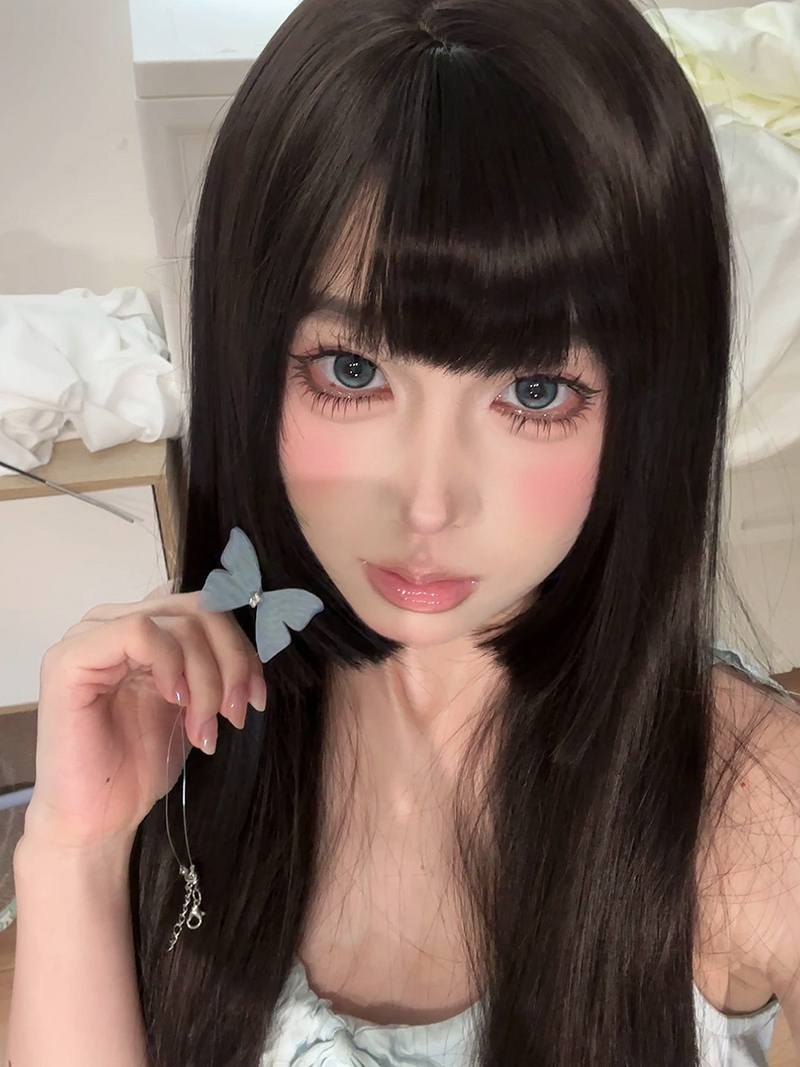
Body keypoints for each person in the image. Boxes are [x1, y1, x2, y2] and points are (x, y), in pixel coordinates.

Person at [9, 0, 800, 1064]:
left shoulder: (761, 815)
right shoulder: (180, 730)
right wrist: (73, 855)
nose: (428, 504)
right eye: (351, 371)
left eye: (533, 390)